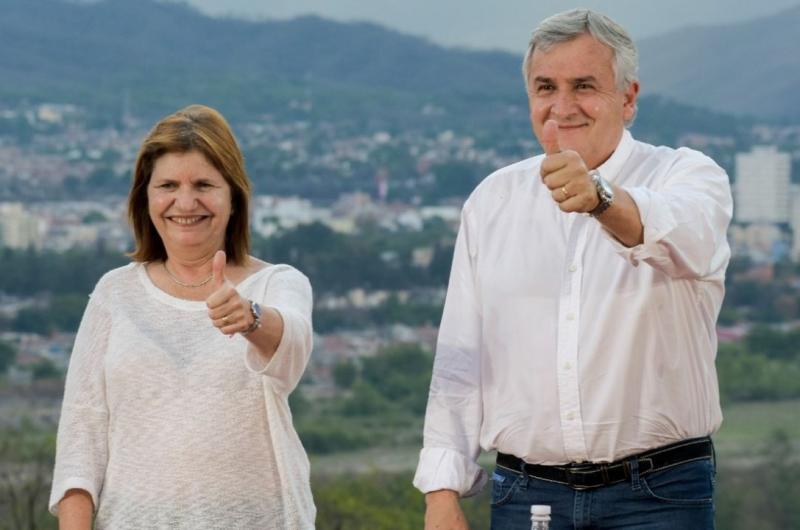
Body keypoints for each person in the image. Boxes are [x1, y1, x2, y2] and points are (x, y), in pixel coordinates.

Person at [414, 9, 732, 530]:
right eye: (545, 87)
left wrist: (601, 198)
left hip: (658, 496)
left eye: (584, 85)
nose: (562, 107)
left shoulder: (688, 176)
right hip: (525, 495)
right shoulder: (492, 201)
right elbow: (460, 361)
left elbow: (685, 235)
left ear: (628, 98)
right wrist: (441, 493)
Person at [49, 105, 316, 529]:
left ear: (234, 197)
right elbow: (82, 434)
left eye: (204, 185)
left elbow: (291, 348)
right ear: (146, 197)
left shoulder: (277, 285)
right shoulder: (113, 294)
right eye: (168, 185)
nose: (185, 202)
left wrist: (250, 318)